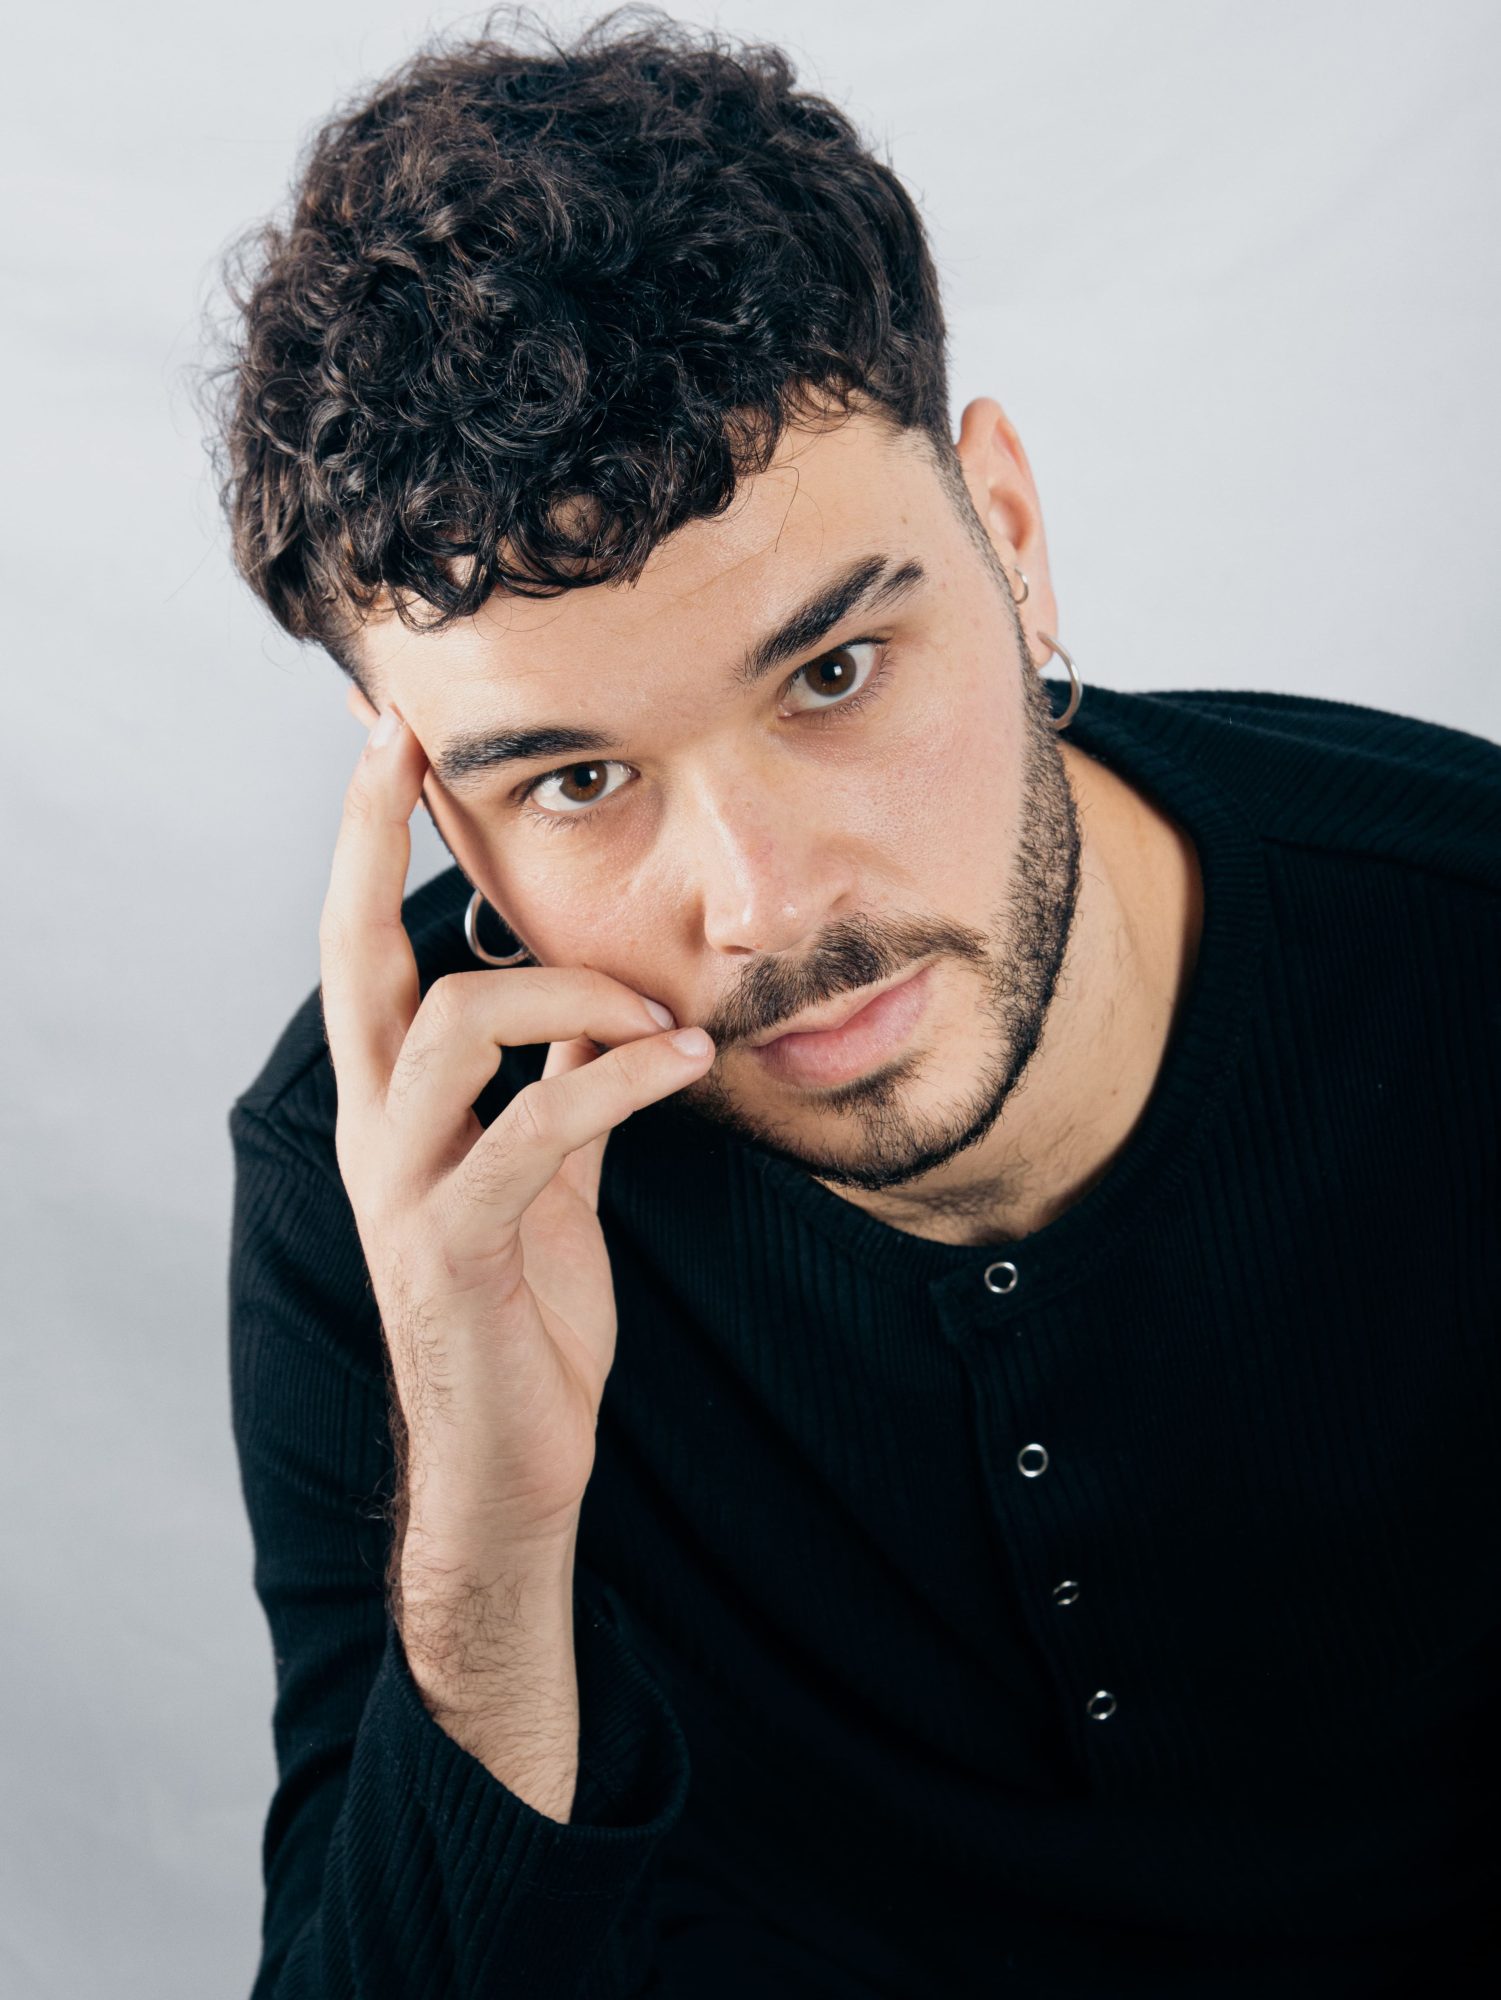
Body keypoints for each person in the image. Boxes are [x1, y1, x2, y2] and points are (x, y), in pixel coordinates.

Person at [216, 8, 1501, 1995]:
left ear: (1008, 536)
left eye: (831, 674)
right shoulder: (399, 1185)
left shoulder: (1462, 935)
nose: (763, 904)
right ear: (440, 816)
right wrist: (487, 1536)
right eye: (575, 779)